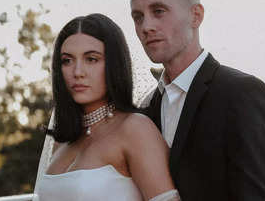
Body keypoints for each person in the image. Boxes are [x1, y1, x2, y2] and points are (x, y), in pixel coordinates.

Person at [130, 0, 265, 201]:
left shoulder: (242, 94)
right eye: (138, 17)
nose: (146, 26)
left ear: (195, 15)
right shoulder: (144, 109)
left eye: (158, 11)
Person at [35, 13, 180, 201]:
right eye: (67, 60)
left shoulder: (135, 129)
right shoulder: (63, 140)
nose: (77, 72)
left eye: (91, 59)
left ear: (114, 65)